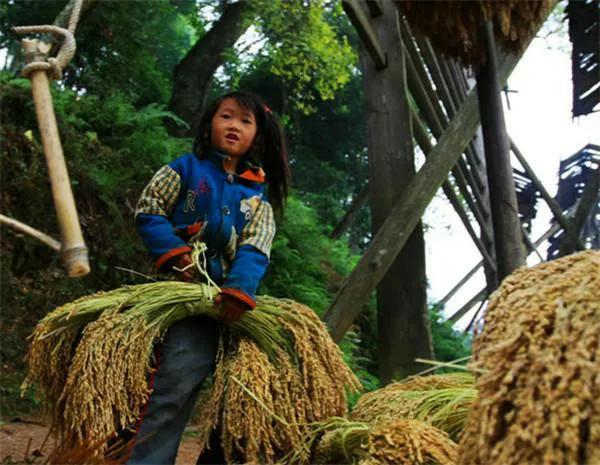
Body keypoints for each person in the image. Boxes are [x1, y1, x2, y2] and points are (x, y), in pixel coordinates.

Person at [125, 91, 289, 464]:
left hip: (230, 307)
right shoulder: (183, 170)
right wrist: (177, 257)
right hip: (183, 298)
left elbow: (256, 247)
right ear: (209, 123)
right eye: (226, 116)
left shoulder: (257, 199)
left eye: (245, 122)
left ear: (257, 136)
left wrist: (238, 292)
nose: (234, 126)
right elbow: (149, 211)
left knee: (244, 397)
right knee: (173, 385)